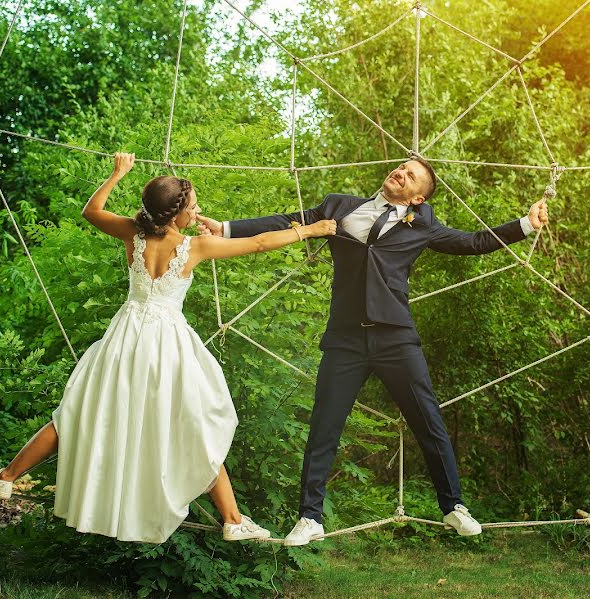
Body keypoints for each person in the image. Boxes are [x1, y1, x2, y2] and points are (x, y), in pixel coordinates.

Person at [0, 152, 337, 544]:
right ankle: (233, 520)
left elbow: (91, 210)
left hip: (125, 338)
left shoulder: (133, 232)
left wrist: (118, 173)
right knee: (194, 425)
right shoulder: (193, 247)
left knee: (80, 415)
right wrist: (310, 230)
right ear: (175, 215)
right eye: (194, 206)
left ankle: (6, 477)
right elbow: (259, 243)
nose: (198, 211)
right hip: (165, 344)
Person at [198, 157, 548, 545]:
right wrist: (225, 228)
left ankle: (453, 507)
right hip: (345, 338)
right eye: (401, 167)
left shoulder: (425, 224)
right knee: (324, 426)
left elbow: (474, 242)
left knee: (428, 420)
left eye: (410, 175)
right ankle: (310, 518)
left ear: (417, 197)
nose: (400, 172)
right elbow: (287, 220)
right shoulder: (338, 205)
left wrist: (527, 224)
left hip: (395, 337)